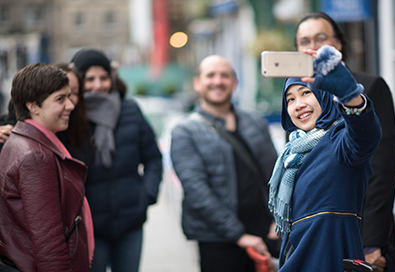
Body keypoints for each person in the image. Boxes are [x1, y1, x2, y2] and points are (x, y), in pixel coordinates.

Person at [294, 12, 395, 271]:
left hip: (360, 230)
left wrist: (371, 242)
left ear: (338, 44)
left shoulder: (368, 87)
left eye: (321, 38)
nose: (313, 47)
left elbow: (383, 168)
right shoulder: (298, 97)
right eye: (304, 41)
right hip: (316, 239)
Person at [268, 45, 381, 271]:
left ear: (325, 96)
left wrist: (350, 95)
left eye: (306, 93)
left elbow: (365, 135)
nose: (298, 105)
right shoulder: (292, 155)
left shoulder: (339, 141)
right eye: (289, 99)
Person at [170, 55, 279, 272]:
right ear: (197, 83)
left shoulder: (255, 121)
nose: (218, 81)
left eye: (225, 75)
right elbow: (197, 191)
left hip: (267, 233)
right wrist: (238, 235)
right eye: (210, 75)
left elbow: (277, 174)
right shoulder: (185, 131)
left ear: (234, 83)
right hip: (218, 242)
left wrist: (279, 219)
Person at [70, 48, 163, 272]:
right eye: (89, 79)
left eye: (103, 78)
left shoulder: (130, 110)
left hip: (130, 223)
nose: (97, 85)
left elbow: (153, 159)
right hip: (90, 227)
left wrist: (146, 195)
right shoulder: (70, 115)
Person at [0, 63, 92, 271]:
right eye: (60, 99)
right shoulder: (35, 155)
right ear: (33, 106)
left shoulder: (19, 139)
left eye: (69, 96)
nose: (70, 105)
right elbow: (48, 241)